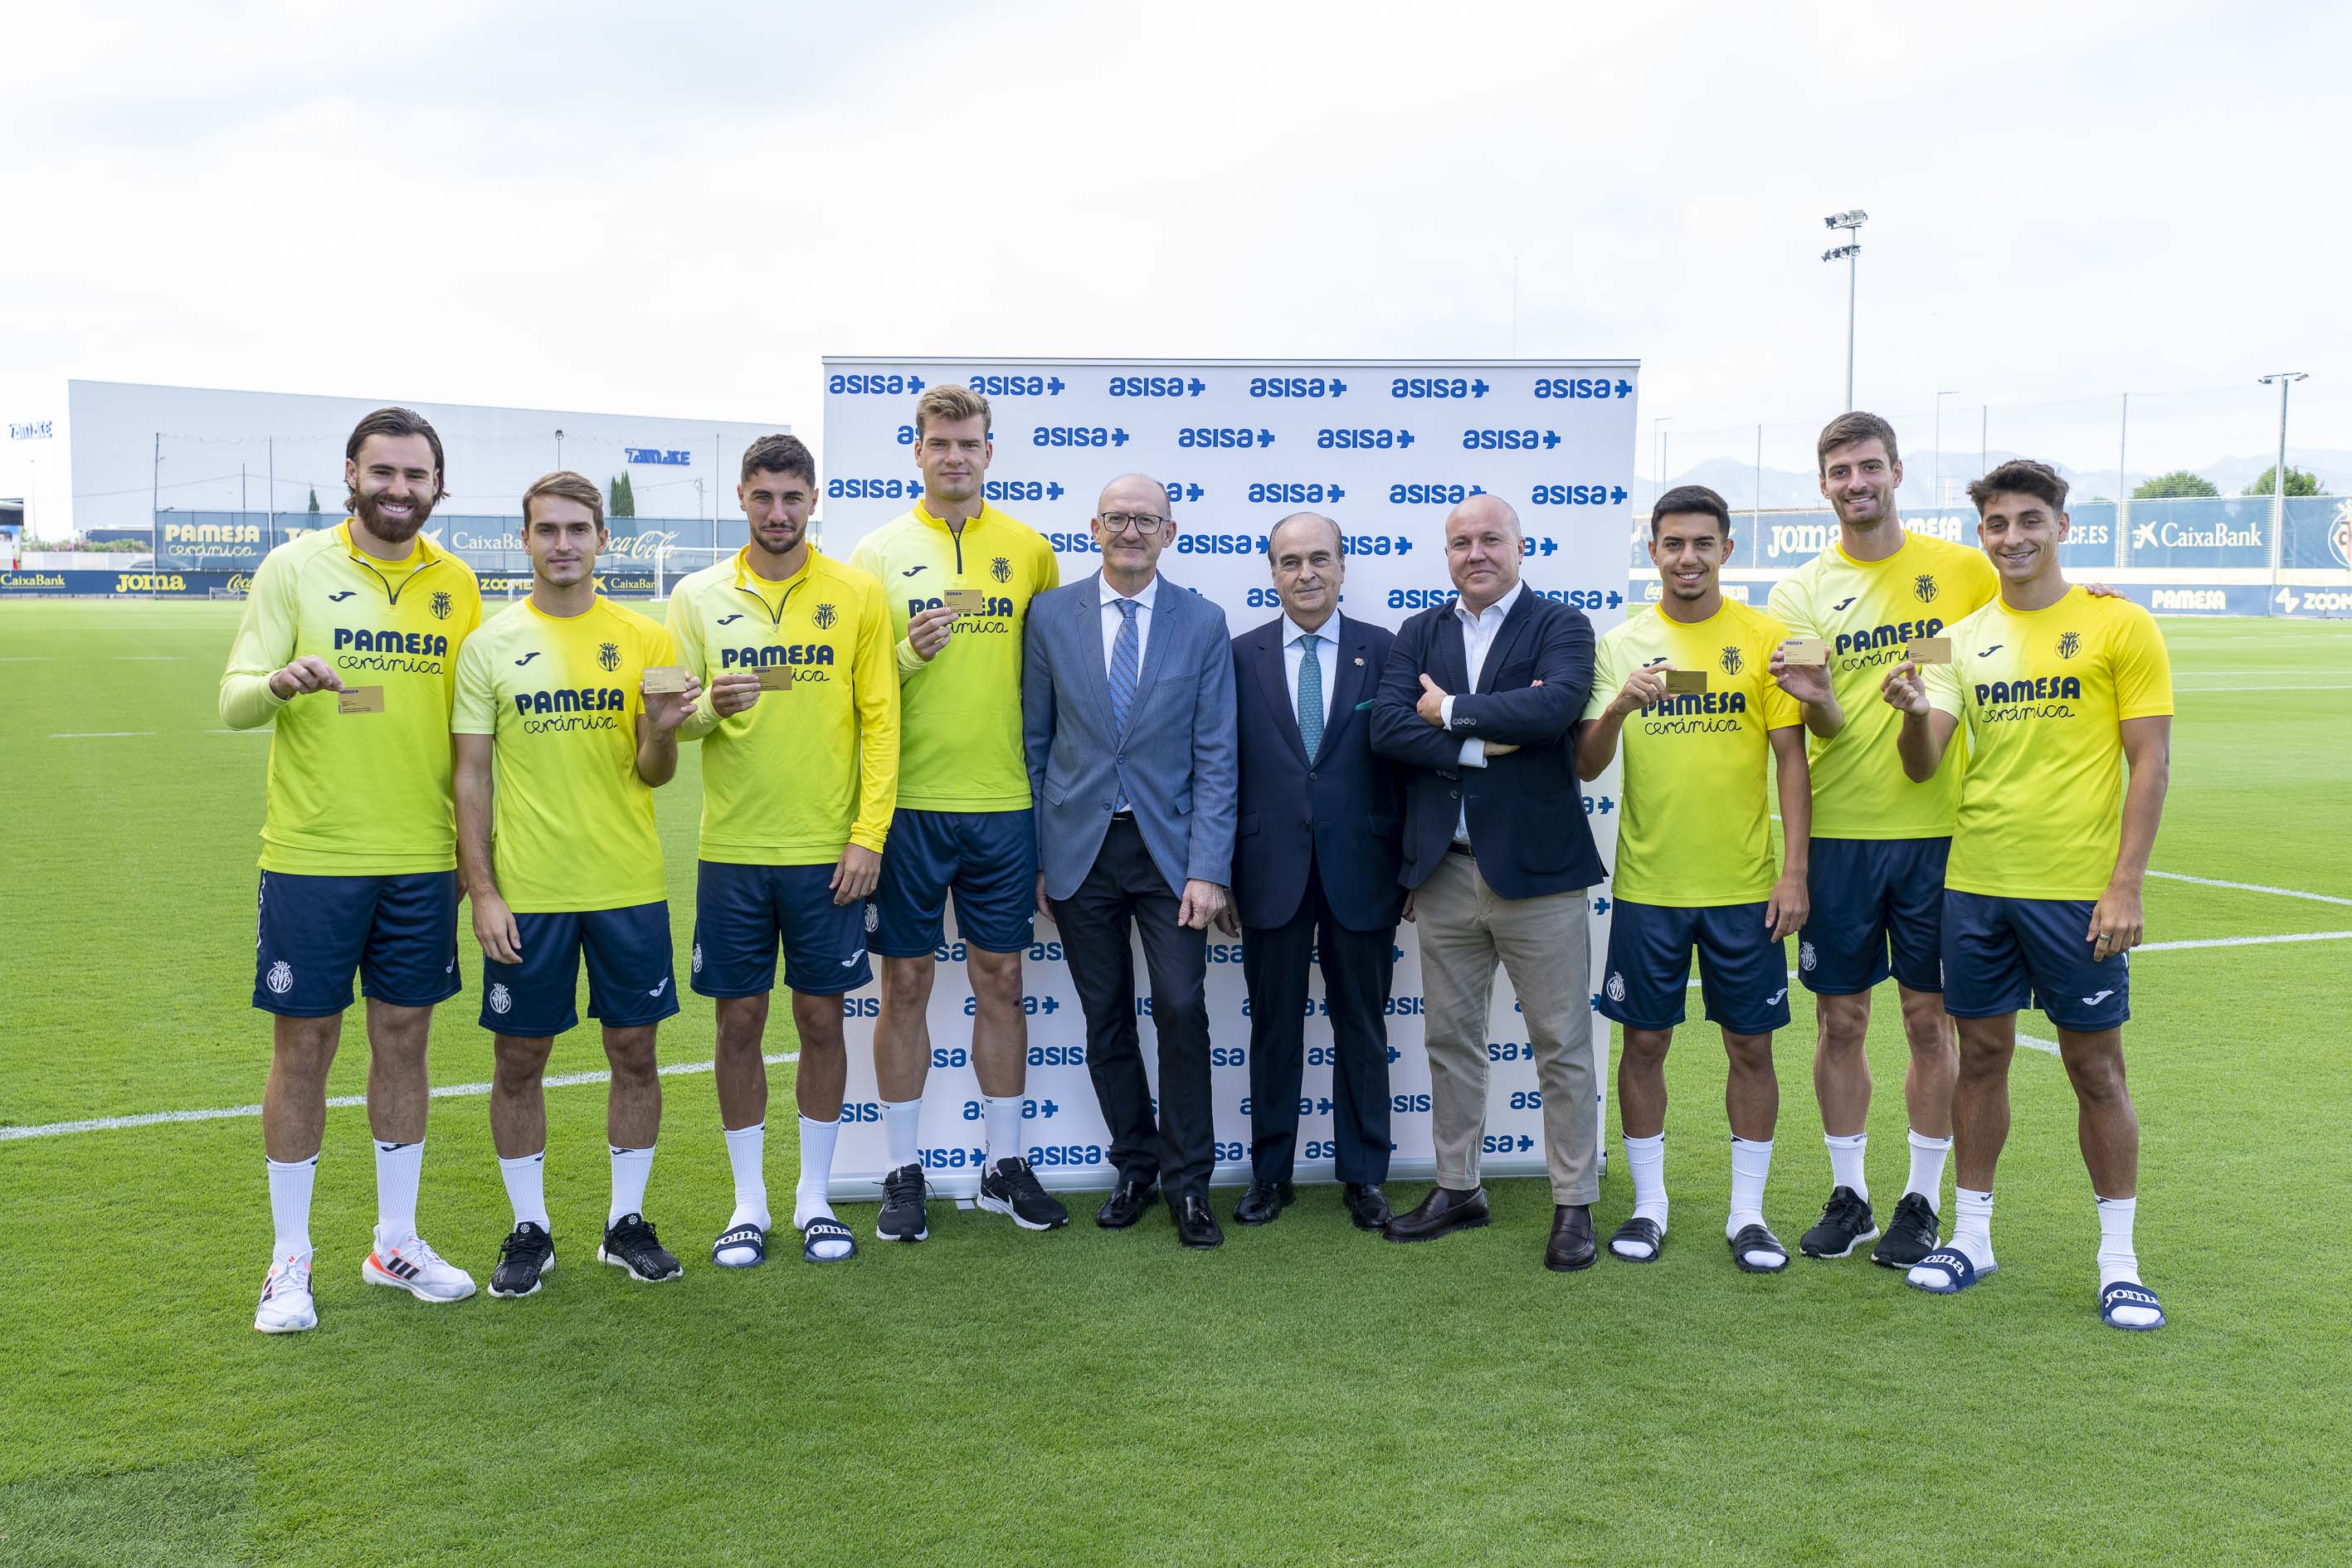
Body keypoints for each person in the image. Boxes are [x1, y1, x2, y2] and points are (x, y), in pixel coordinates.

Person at [1881, 459, 2173, 1331]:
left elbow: (2150, 760)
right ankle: (1971, 1237)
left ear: (2061, 526)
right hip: (1976, 887)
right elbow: (1922, 764)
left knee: (2096, 1069)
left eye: (2029, 521)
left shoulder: (2120, 623)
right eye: (1997, 524)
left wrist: (2125, 884)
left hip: (2078, 893)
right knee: (1980, 1058)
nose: (2013, 538)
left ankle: (2118, 1262)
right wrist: (1908, 710)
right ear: (1982, 534)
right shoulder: (1953, 639)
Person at [222, 406, 483, 1333]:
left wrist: (473, 857)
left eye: (416, 475)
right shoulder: (293, 567)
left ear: (437, 485)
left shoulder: (457, 584)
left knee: (405, 1044)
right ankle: (288, 1258)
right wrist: (278, 683)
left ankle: (394, 1242)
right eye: (383, 472)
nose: (398, 490)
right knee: (304, 1048)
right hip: (314, 859)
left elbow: (472, 734)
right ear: (350, 475)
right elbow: (233, 700)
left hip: (421, 860)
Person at [451, 471, 701, 1295]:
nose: (563, 544)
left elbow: (655, 770)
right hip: (530, 894)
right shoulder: (489, 645)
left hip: (628, 885)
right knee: (519, 1058)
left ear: (602, 539)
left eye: (578, 529)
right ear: (524, 540)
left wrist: (661, 732)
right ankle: (529, 1229)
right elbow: (472, 777)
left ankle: (626, 1223)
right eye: (547, 529)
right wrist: (484, 890)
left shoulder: (646, 638)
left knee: (635, 1052)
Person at [1767, 411, 1997, 1267]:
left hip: (1939, 835)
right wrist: (1826, 698)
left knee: (1928, 1020)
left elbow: (2030, 610)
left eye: (1869, 467)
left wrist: (2096, 600)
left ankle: (1920, 1201)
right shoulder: (1800, 592)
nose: (1856, 483)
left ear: (1897, 471)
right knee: (1840, 1020)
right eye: (1840, 471)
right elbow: (1818, 723)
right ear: (1823, 485)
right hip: (1841, 835)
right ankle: (1851, 1194)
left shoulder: (1962, 571)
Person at [667, 434, 897, 1268]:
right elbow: (672, 722)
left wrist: (868, 836)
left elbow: (882, 721)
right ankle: (749, 1204)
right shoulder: (696, 596)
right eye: (762, 496)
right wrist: (708, 709)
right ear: (740, 497)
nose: (777, 512)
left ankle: (813, 1198)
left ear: (813, 500)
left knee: (821, 1019)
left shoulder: (857, 592)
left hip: (826, 853)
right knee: (738, 1022)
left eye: (791, 497)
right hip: (732, 851)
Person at [847, 385, 1068, 1242]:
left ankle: (1002, 1166)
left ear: (988, 452)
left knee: (1001, 980)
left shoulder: (1030, 551)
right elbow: (857, 686)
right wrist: (907, 654)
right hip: (908, 808)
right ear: (916, 451)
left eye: (968, 443)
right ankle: (904, 1169)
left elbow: (1047, 682)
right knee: (904, 984)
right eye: (939, 443)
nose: (954, 457)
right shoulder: (875, 553)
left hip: (1004, 805)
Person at [1576, 486, 1814, 1272]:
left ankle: (1748, 1215)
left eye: (1702, 544)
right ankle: (1649, 1206)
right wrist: (1618, 707)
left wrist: (1793, 872)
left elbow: (1791, 760)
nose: (1688, 558)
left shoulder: (1768, 638)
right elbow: (1586, 763)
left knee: (1750, 1048)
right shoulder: (1620, 644)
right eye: (1673, 544)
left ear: (1726, 551)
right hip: (1649, 887)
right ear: (1652, 551)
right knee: (1643, 1044)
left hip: (1743, 888)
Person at [1371, 494, 1608, 1271]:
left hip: (1538, 875)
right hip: (1444, 871)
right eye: (1459, 543)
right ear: (1447, 554)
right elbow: (1387, 727)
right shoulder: (1420, 631)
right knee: (1450, 1040)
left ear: (1518, 546)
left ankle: (1572, 1201)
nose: (1475, 553)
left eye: (1489, 539)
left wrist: (1447, 708)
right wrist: (1477, 741)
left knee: (1561, 1044)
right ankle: (1457, 1187)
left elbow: (1553, 711)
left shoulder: (1561, 624)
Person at [1022, 473, 1239, 1249]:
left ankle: (1189, 1184)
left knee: (1180, 1008)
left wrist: (1208, 867)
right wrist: (1041, 857)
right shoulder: (1050, 616)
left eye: (1146, 520)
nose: (1130, 531)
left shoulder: (1202, 621)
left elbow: (1217, 754)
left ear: (1169, 533)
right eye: (1116, 517)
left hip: (1169, 854)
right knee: (1105, 1014)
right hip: (1078, 851)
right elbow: (1035, 743)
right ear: (1094, 528)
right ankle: (1135, 1165)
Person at [1229, 512, 1404, 1231]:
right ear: (1272, 572)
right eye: (1290, 561)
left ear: (1342, 567)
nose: (1306, 574)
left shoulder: (1385, 650)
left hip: (1365, 869)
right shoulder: (1237, 656)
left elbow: (1405, 764)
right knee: (1274, 1027)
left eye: (1319, 559)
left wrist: (1412, 866)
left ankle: (1363, 1176)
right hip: (1265, 869)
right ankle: (1270, 1174)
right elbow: (1218, 769)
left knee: (1361, 1025)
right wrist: (1217, 871)